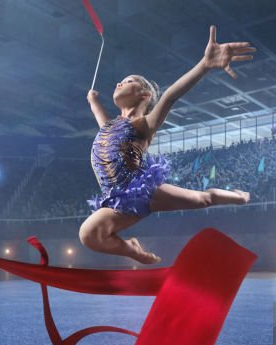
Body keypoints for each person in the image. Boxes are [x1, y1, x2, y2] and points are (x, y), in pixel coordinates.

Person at [80, 26, 255, 265]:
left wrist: (204, 65)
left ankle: (239, 196)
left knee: (202, 199)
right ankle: (131, 249)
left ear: (145, 95)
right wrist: (93, 101)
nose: (119, 83)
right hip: (115, 196)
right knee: (90, 236)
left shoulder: (143, 124)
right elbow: (100, 118)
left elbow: (170, 95)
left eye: (128, 81)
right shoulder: (108, 127)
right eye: (119, 82)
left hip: (141, 192)